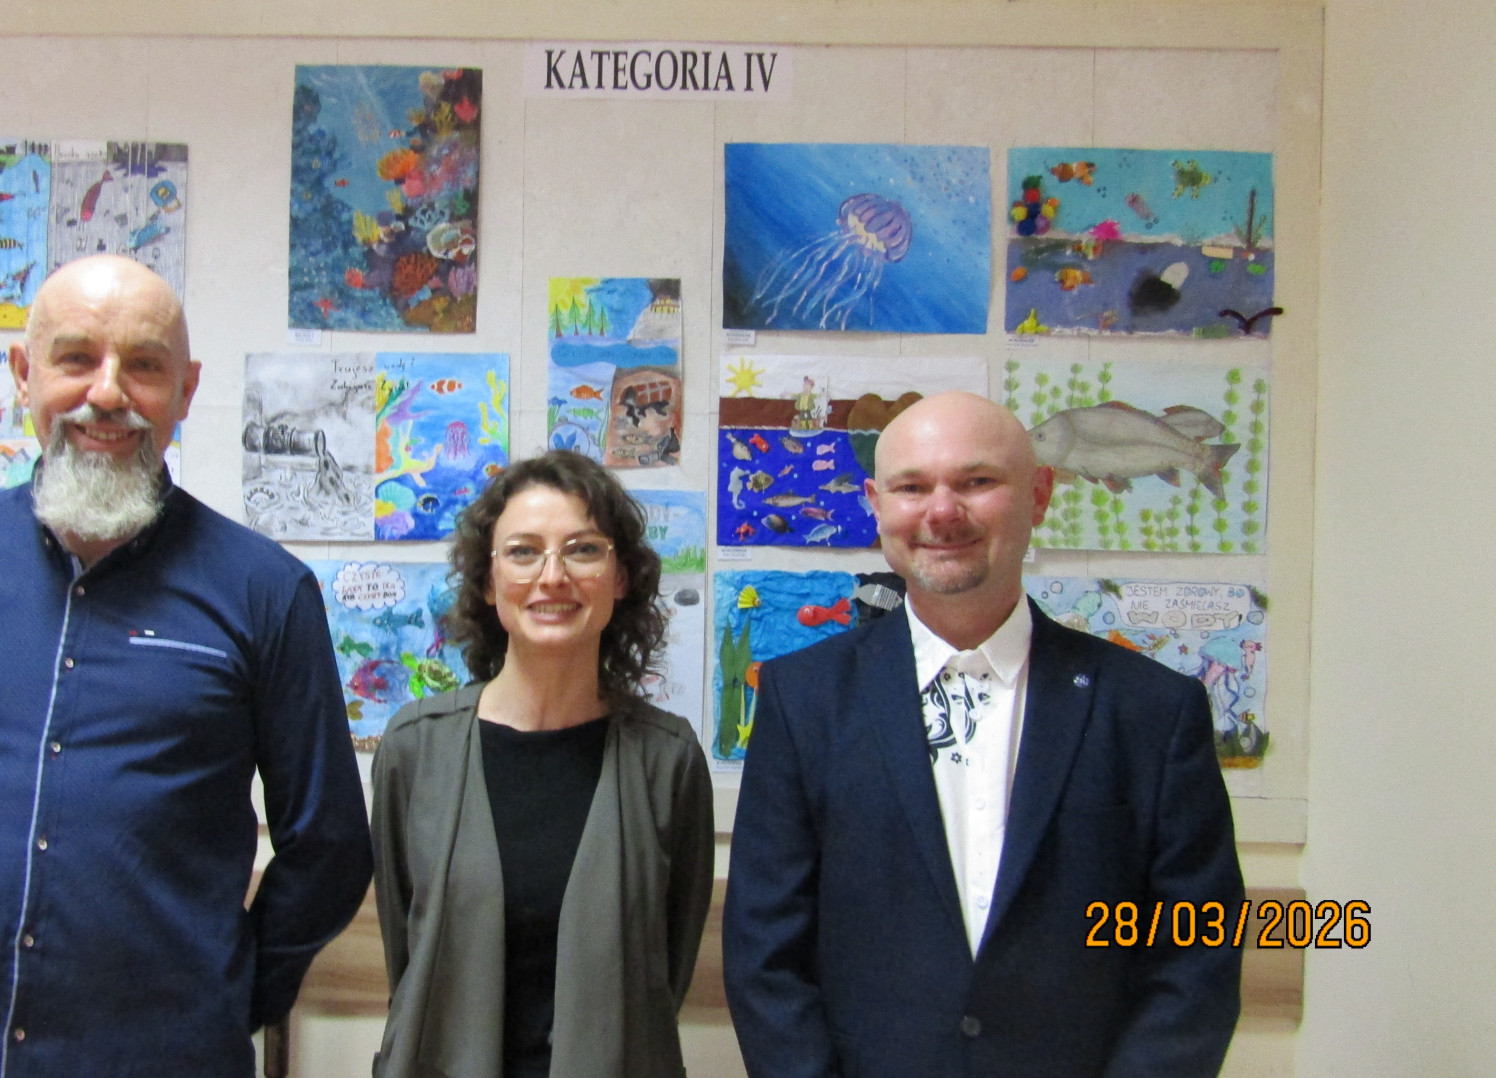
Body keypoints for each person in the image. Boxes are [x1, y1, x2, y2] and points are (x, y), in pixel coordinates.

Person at [0, 255, 371, 1077]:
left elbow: (330, 849)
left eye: (144, 365)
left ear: (186, 390)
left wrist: (220, 996)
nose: (107, 392)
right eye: (76, 358)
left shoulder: (265, 593)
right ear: (23, 373)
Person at [724, 391, 1243, 1078]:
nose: (942, 512)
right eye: (912, 487)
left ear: (1040, 495)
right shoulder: (804, 700)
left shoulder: (1153, 710)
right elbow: (764, 953)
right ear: (876, 505)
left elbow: (1198, 952)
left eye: (976, 481)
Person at [370, 450, 714, 1078]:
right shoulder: (415, 749)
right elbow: (408, 958)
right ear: (488, 580)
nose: (552, 576)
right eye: (524, 552)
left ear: (620, 577)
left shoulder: (668, 760)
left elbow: (667, 969)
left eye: (583, 550)